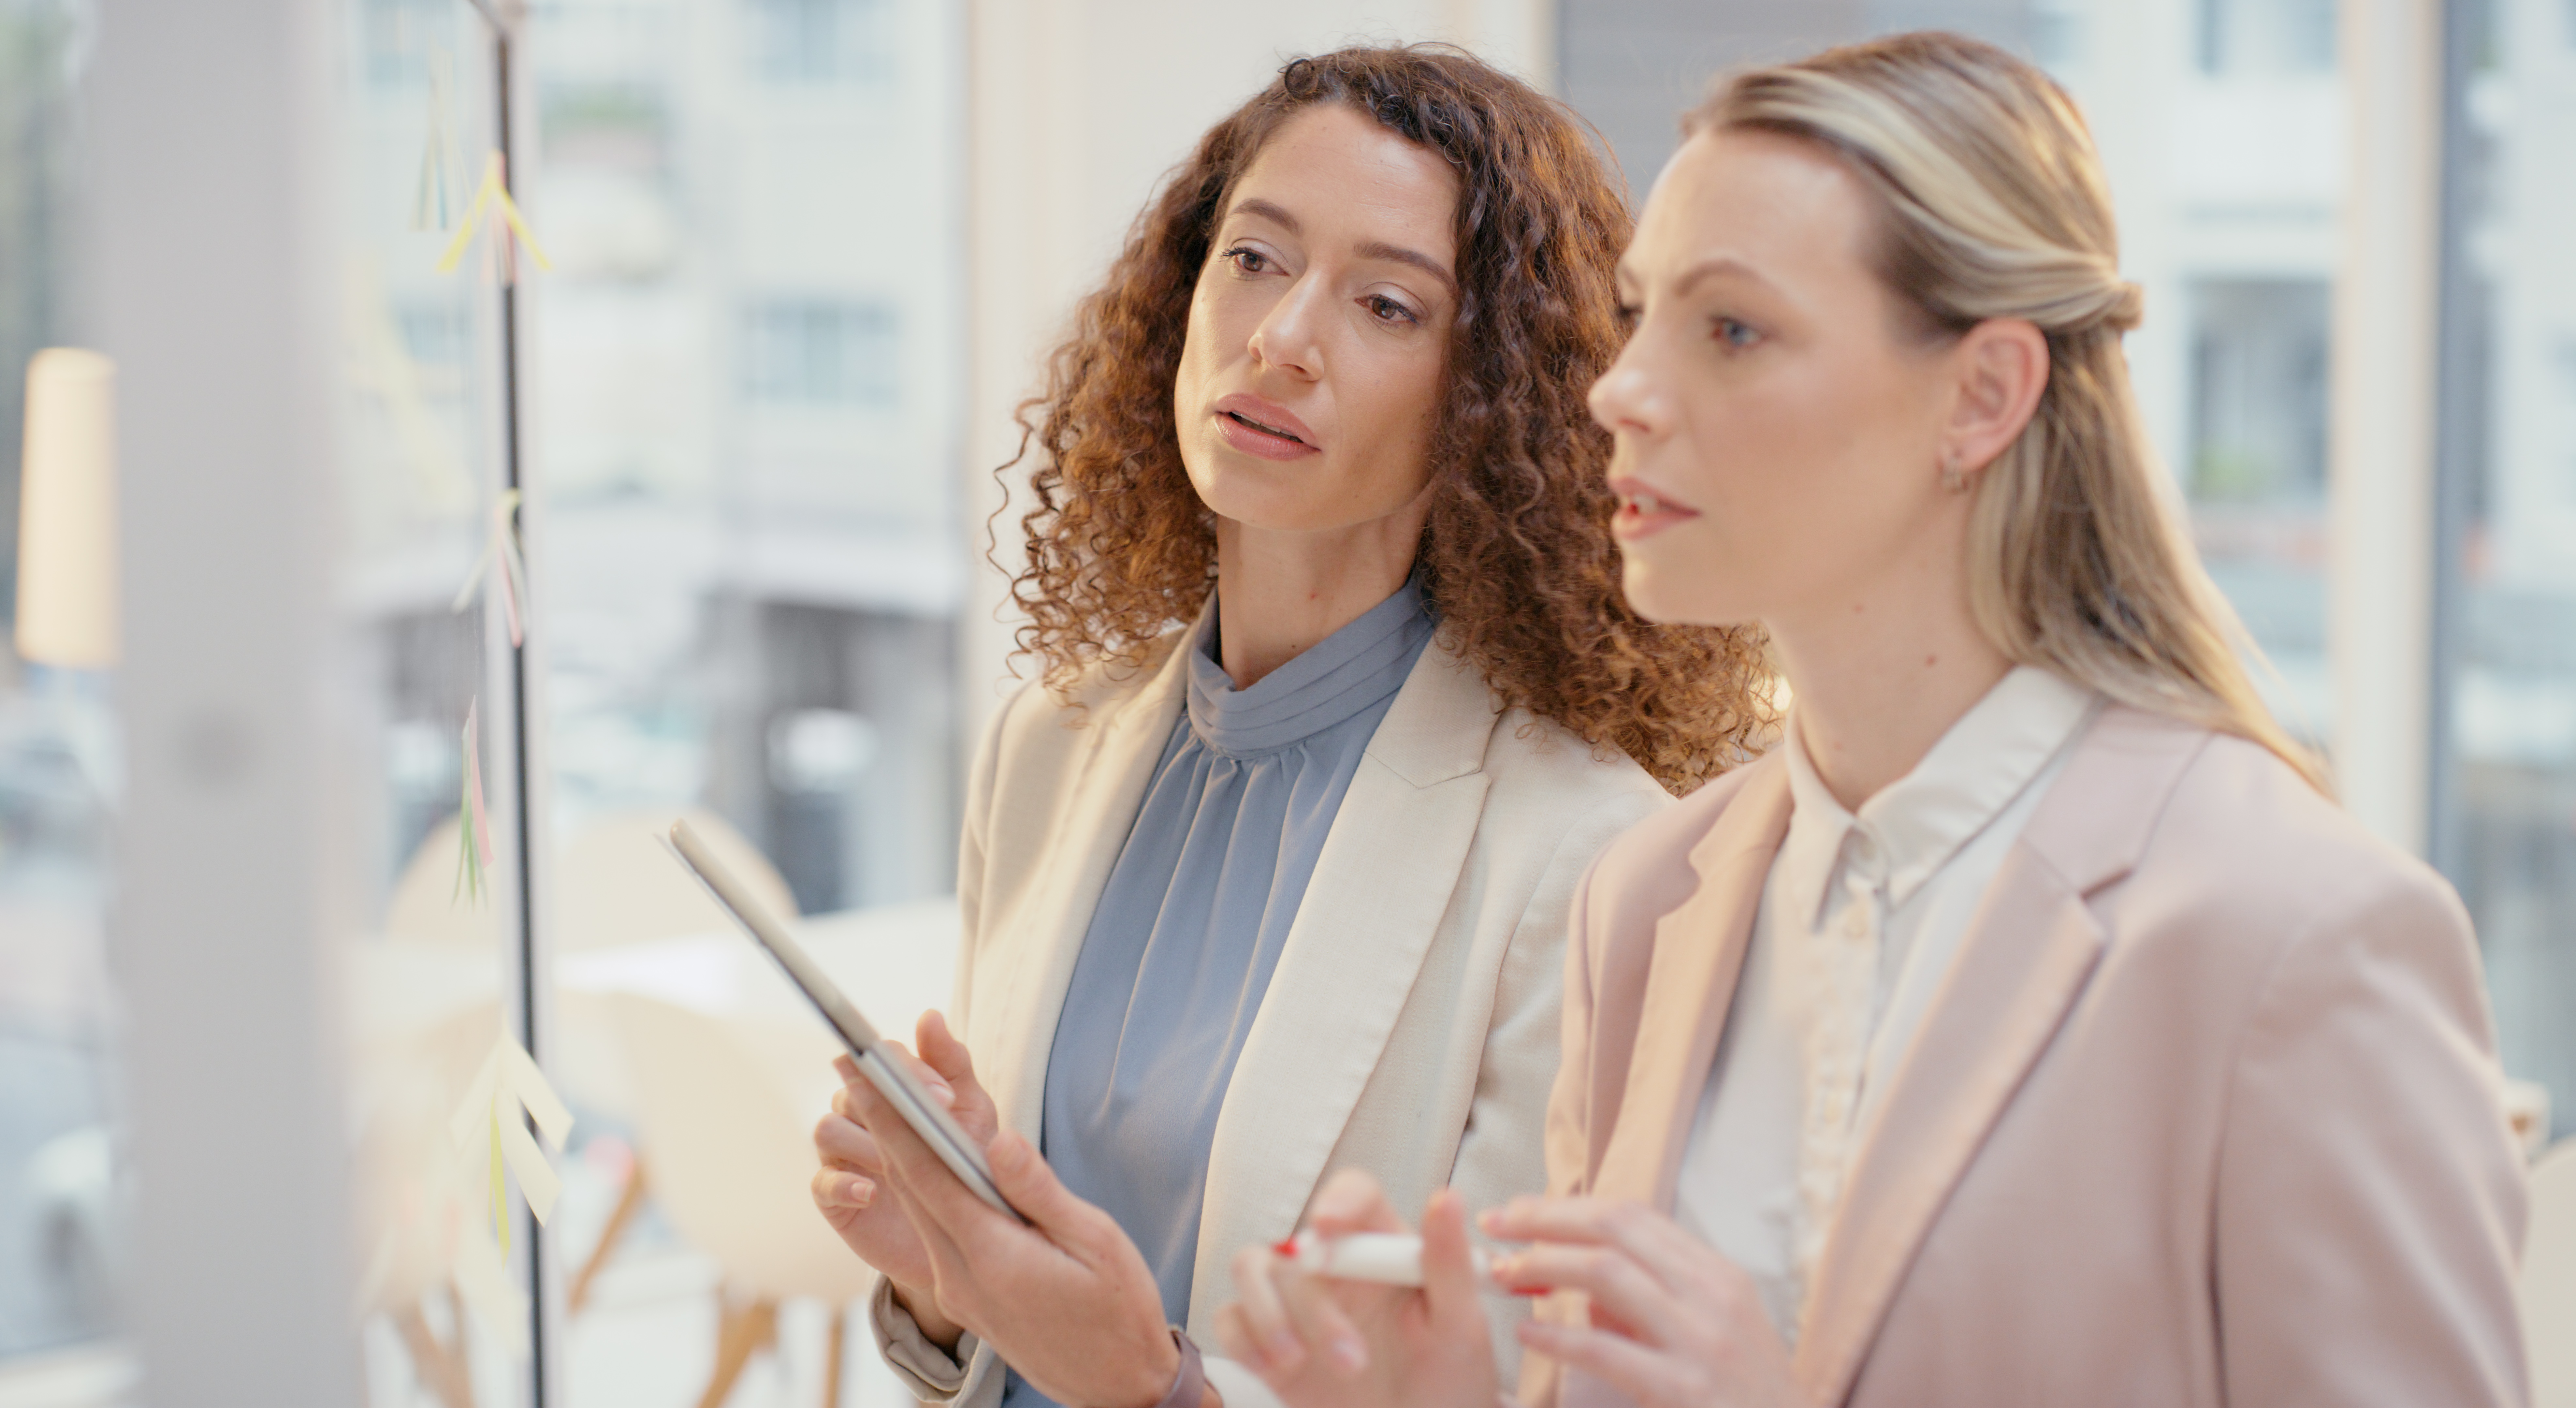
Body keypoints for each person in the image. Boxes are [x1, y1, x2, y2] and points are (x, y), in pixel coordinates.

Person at [1217, 31, 2531, 1408]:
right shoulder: (1646, 906)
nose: (1619, 391)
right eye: (1637, 315)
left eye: (1728, 330)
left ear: (1982, 396)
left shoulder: (2294, 935)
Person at [810, 44, 1775, 1408]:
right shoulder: (1050, 746)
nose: (1281, 338)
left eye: (1384, 304)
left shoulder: (1586, 854)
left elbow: (1508, 1387)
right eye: (1254, 261)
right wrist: (941, 1281)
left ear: (1488, 396)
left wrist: (1151, 1386)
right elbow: (1013, 1344)